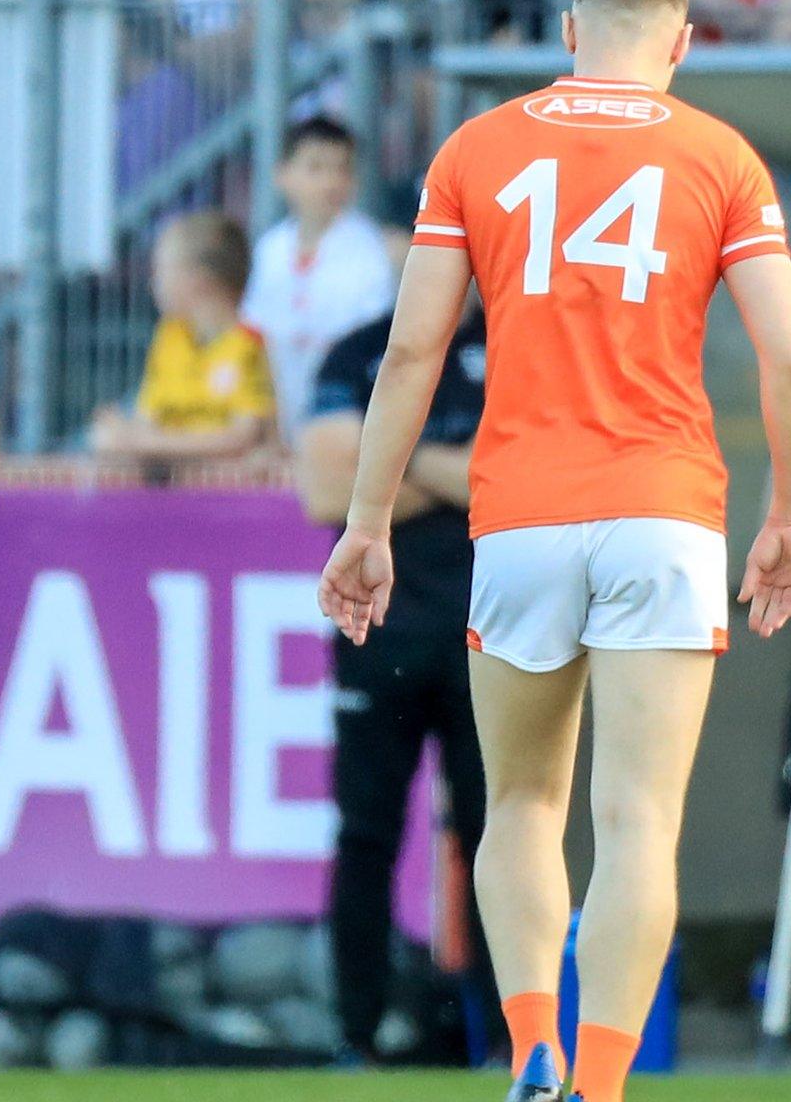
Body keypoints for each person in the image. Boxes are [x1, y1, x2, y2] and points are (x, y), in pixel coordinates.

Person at [316, 0, 791, 1102]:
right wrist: (788, 510)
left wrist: (366, 521)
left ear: (565, 29)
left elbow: (409, 352)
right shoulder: (716, 156)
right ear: (682, 40)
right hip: (663, 511)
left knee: (519, 805)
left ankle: (532, 1054)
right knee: (636, 818)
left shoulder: (478, 149)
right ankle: (600, 1087)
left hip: (521, 516)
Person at [298, 300, 496, 1065]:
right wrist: (454, 468)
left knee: (499, 835)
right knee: (365, 835)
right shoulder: (356, 351)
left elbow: (510, 482)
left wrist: (387, 461)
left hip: (491, 634)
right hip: (376, 632)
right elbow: (326, 494)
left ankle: (511, 1042)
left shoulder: (518, 343)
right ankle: (357, 1036)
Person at [244, 115, 398, 446]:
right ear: (282, 174)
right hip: (280, 411)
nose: (331, 182)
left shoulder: (369, 250)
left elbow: (370, 342)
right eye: (315, 168)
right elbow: (255, 337)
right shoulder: (270, 248)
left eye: (342, 169)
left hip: (344, 412)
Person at [91, 211, 276, 465]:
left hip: (228, 495)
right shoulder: (170, 337)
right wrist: (124, 432)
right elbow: (149, 419)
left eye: (161, 269)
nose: (153, 282)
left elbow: (242, 439)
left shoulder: (248, 343)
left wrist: (142, 442)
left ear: (198, 279)